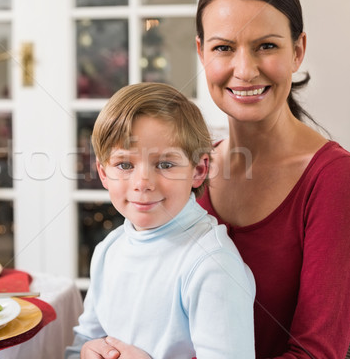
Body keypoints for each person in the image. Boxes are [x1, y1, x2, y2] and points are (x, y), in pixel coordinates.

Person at [86, 0, 350, 359]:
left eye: (266, 46)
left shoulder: (333, 176)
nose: (245, 69)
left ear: (297, 50)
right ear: (202, 52)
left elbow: (317, 354)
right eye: (224, 48)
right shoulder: (187, 168)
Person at [65, 82, 256, 359]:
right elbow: (81, 342)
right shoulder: (109, 249)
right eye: (125, 165)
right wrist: (85, 352)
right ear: (103, 174)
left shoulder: (212, 264)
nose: (143, 183)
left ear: (199, 170)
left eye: (165, 164)